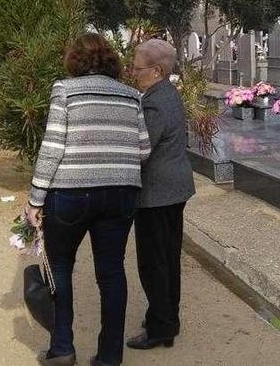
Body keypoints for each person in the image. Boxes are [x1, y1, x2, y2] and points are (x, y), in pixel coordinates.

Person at [25, 33, 151, 366]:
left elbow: (52, 148)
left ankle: (62, 349)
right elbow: (144, 148)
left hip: (70, 193)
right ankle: (110, 357)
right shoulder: (132, 95)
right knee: (111, 273)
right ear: (111, 60)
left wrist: (35, 199)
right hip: (122, 194)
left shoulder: (65, 90)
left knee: (61, 267)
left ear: (75, 60)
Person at [126, 39, 196, 351]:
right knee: (167, 257)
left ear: (157, 70)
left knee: (154, 261)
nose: (132, 72)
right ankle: (165, 315)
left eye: (137, 67)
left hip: (157, 192)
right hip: (174, 187)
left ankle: (161, 327)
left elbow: (143, 147)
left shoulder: (154, 102)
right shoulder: (167, 93)